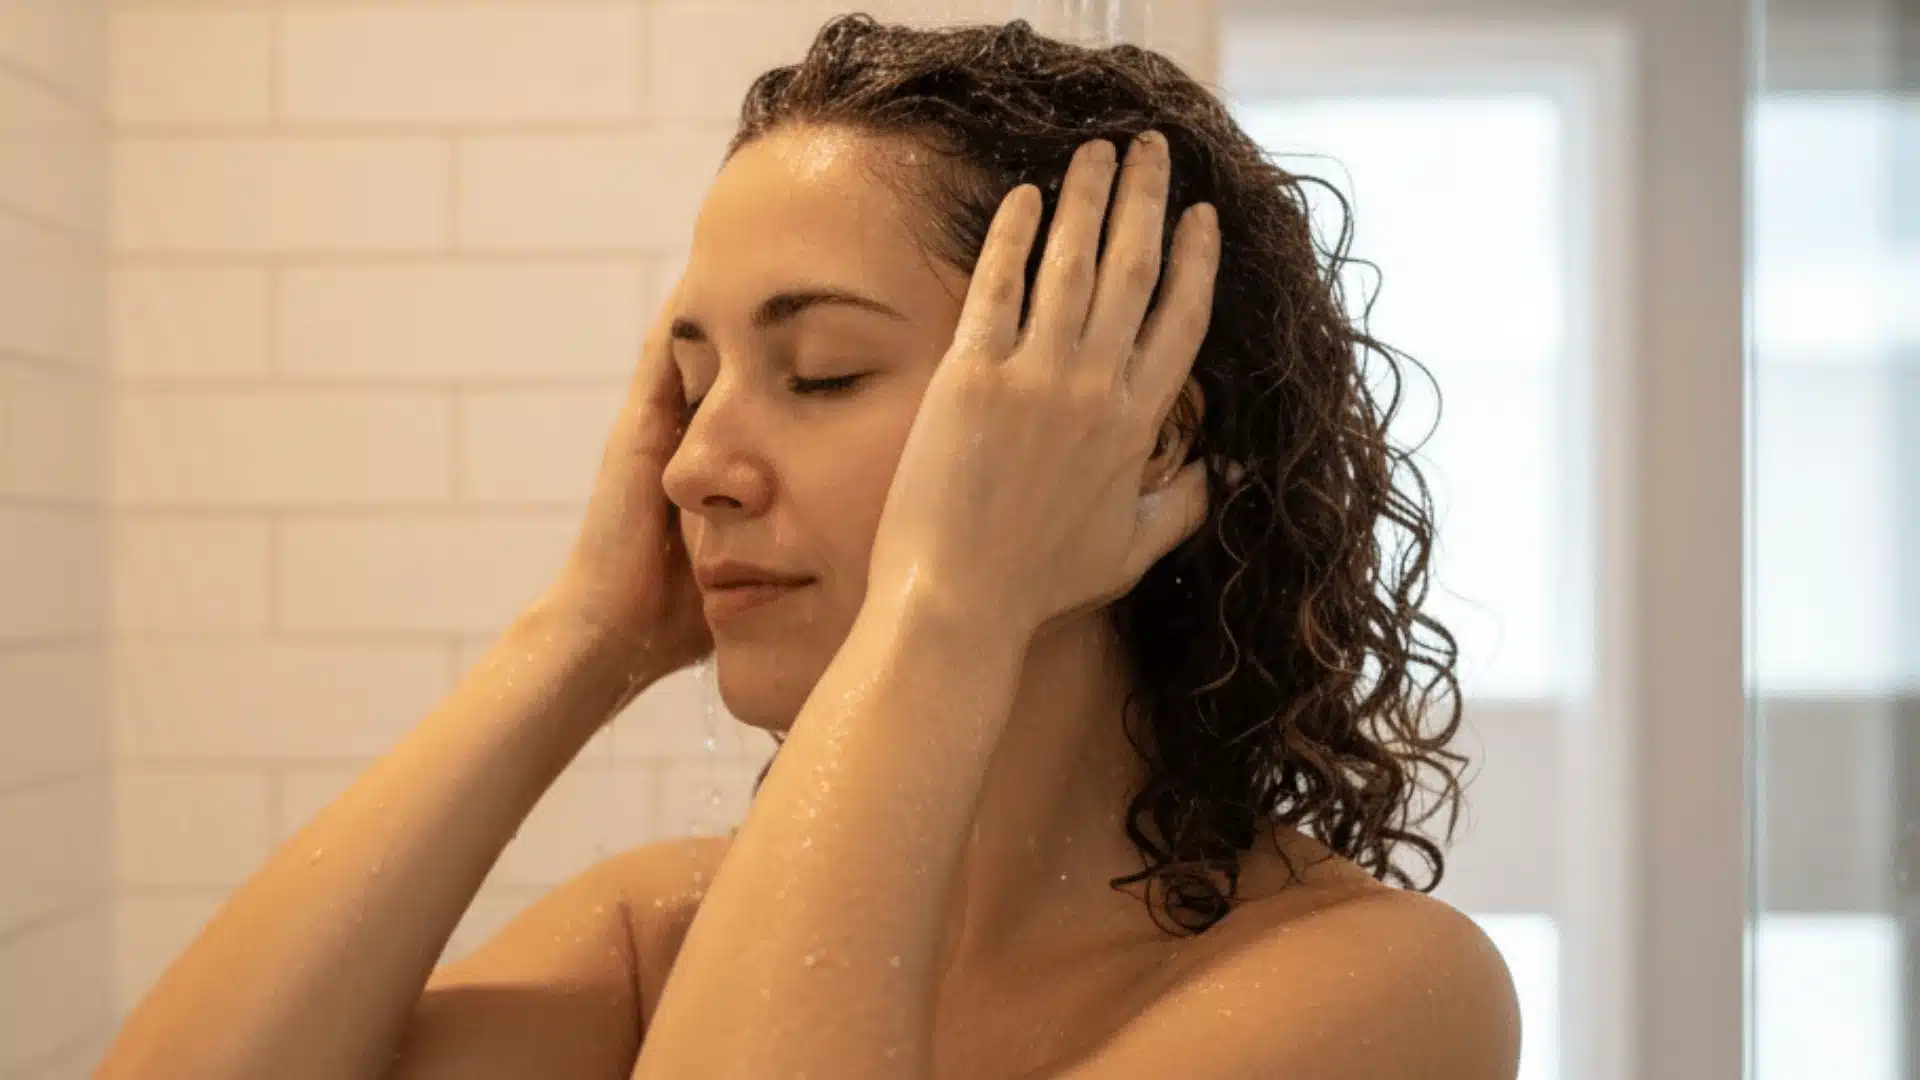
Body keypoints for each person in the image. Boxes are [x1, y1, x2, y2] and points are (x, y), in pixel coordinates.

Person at [97, 15, 1520, 1080]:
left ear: (1138, 431)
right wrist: (576, 642)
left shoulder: (1376, 993)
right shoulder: (663, 941)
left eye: (823, 370)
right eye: (694, 379)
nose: (695, 465)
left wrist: (946, 610)